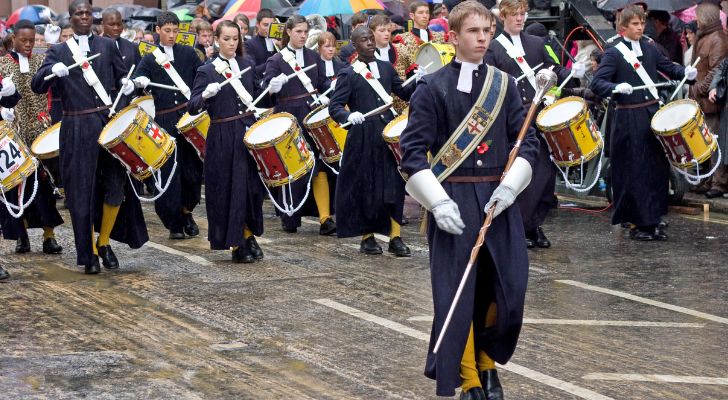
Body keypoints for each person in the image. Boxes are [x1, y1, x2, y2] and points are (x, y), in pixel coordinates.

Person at [399, 2, 540, 397]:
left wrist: (511, 187)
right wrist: (437, 203)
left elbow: (525, 143)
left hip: (499, 198)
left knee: (506, 288)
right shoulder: (432, 87)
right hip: (453, 198)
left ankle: (487, 359)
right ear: (455, 36)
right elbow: (412, 153)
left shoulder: (504, 83)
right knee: (456, 295)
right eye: (474, 31)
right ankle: (471, 376)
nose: (482, 38)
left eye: (487, 31)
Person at [31, 0, 149, 274]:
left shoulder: (108, 46)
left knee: (115, 186)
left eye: (87, 13)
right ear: (70, 18)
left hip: (106, 123)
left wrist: (132, 84)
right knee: (81, 193)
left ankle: (104, 241)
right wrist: (51, 72)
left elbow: (123, 79)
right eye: (78, 13)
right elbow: (37, 85)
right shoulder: (58, 51)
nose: (84, 17)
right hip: (75, 126)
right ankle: (90, 254)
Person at [485, 0, 582, 249]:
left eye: (523, 14)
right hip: (515, 118)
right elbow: (492, 84)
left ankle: (534, 223)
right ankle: (520, 226)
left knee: (544, 175)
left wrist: (573, 72)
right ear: (503, 16)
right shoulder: (494, 48)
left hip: (540, 116)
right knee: (522, 172)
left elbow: (554, 69)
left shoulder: (537, 43)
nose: (520, 19)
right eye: (515, 14)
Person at [591, 5, 693, 241]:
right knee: (634, 170)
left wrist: (684, 72)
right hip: (628, 117)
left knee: (656, 168)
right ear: (623, 27)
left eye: (641, 23)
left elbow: (667, 67)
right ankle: (639, 222)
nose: (640, 27)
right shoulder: (614, 53)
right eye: (635, 24)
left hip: (651, 114)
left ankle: (653, 217)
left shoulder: (649, 48)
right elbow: (598, 83)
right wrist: (615, 87)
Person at [328, 26, 418, 256]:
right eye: (363, 40)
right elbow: (334, 107)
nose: (369, 43)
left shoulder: (387, 68)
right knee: (366, 187)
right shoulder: (348, 74)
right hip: (363, 135)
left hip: (387, 134)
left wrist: (419, 82)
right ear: (355, 46)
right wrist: (348, 116)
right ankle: (368, 237)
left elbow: (403, 93)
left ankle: (395, 237)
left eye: (370, 39)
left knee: (394, 185)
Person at [188, 20, 265, 263]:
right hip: (222, 135)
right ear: (216, 40)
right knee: (230, 189)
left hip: (246, 131)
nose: (232, 43)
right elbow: (192, 107)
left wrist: (271, 89)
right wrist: (204, 95)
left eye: (235, 39)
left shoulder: (246, 64)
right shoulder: (207, 70)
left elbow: (257, 97)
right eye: (227, 39)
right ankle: (237, 242)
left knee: (250, 189)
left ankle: (248, 233)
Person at [130, 11, 204, 240]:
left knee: (192, 173)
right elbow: (138, 80)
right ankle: (173, 223)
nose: (172, 35)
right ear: (158, 31)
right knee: (169, 172)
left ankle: (186, 211)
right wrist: (138, 82)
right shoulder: (150, 58)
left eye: (175, 31)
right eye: (167, 31)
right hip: (164, 122)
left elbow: (201, 76)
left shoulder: (188, 53)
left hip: (188, 119)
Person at [263, 15, 334, 235]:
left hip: (311, 118)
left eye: (305, 32)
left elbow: (322, 84)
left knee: (318, 164)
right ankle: (289, 215)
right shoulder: (276, 60)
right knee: (292, 167)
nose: (303, 36)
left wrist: (328, 94)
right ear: (289, 32)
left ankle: (324, 218)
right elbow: (265, 90)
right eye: (298, 32)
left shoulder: (314, 56)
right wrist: (271, 87)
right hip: (288, 119)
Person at [0, 20, 64, 256]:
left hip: (39, 129)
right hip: (14, 133)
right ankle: (22, 236)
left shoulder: (41, 61)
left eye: (32, 40)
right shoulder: (2, 64)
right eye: (24, 40)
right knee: (17, 188)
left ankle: (49, 236)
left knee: (44, 185)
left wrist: (53, 46)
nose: (29, 45)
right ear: (13, 39)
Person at [690, 2, 728, 198]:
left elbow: (716, 71)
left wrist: (698, 88)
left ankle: (719, 183)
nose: (696, 20)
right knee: (703, 142)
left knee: (714, 143)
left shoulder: (718, 39)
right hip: (700, 99)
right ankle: (706, 179)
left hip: (711, 101)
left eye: (698, 17)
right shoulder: (704, 37)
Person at [245, 9, 277, 79]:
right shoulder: (249, 44)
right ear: (257, 24)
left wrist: (281, 47)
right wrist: (272, 62)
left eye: (272, 25)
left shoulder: (278, 41)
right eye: (265, 25)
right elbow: (252, 70)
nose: (269, 28)